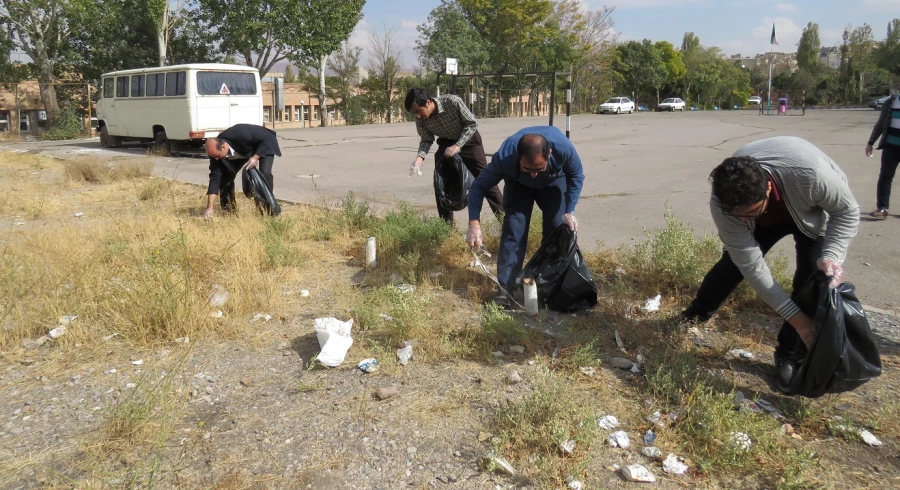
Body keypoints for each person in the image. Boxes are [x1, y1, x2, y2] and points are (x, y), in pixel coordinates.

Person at [679, 136, 859, 390]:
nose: (741, 220)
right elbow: (752, 266)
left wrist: (832, 254)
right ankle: (695, 315)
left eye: (749, 212)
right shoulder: (723, 203)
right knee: (731, 266)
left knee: (810, 281)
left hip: (807, 209)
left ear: (767, 189)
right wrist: (797, 318)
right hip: (765, 216)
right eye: (736, 215)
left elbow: (847, 211)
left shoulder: (813, 175)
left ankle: (788, 353)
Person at [466, 126, 585, 307]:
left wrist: (570, 210)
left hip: (554, 182)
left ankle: (548, 284)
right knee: (514, 230)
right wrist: (474, 222)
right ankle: (505, 288)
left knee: (556, 228)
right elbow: (478, 186)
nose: (534, 174)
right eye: (528, 168)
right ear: (518, 157)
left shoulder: (563, 148)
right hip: (518, 184)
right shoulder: (505, 156)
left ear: (549, 154)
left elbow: (576, 175)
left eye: (539, 168)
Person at [404, 88, 503, 223]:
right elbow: (426, 138)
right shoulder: (421, 118)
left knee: (485, 179)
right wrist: (419, 159)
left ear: (428, 102)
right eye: (414, 113)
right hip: (446, 144)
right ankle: (446, 226)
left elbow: (472, 123)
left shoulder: (452, 102)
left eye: (418, 111)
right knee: (441, 184)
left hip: (468, 141)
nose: (417, 116)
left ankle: (505, 220)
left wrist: (458, 145)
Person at [203, 123, 281, 219]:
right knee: (225, 178)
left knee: (264, 173)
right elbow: (215, 178)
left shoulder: (241, 133)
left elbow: (266, 138)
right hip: (241, 152)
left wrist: (255, 157)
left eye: (218, 156)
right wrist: (209, 207)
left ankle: (268, 210)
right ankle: (229, 212)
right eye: (214, 156)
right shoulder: (215, 153)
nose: (216, 159)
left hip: (264, 143)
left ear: (223, 147)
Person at [865, 93, 900, 220]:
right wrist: (870, 143)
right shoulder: (891, 102)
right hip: (891, 145)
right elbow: (880, 123)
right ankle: (882, 208)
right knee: (885, 177)